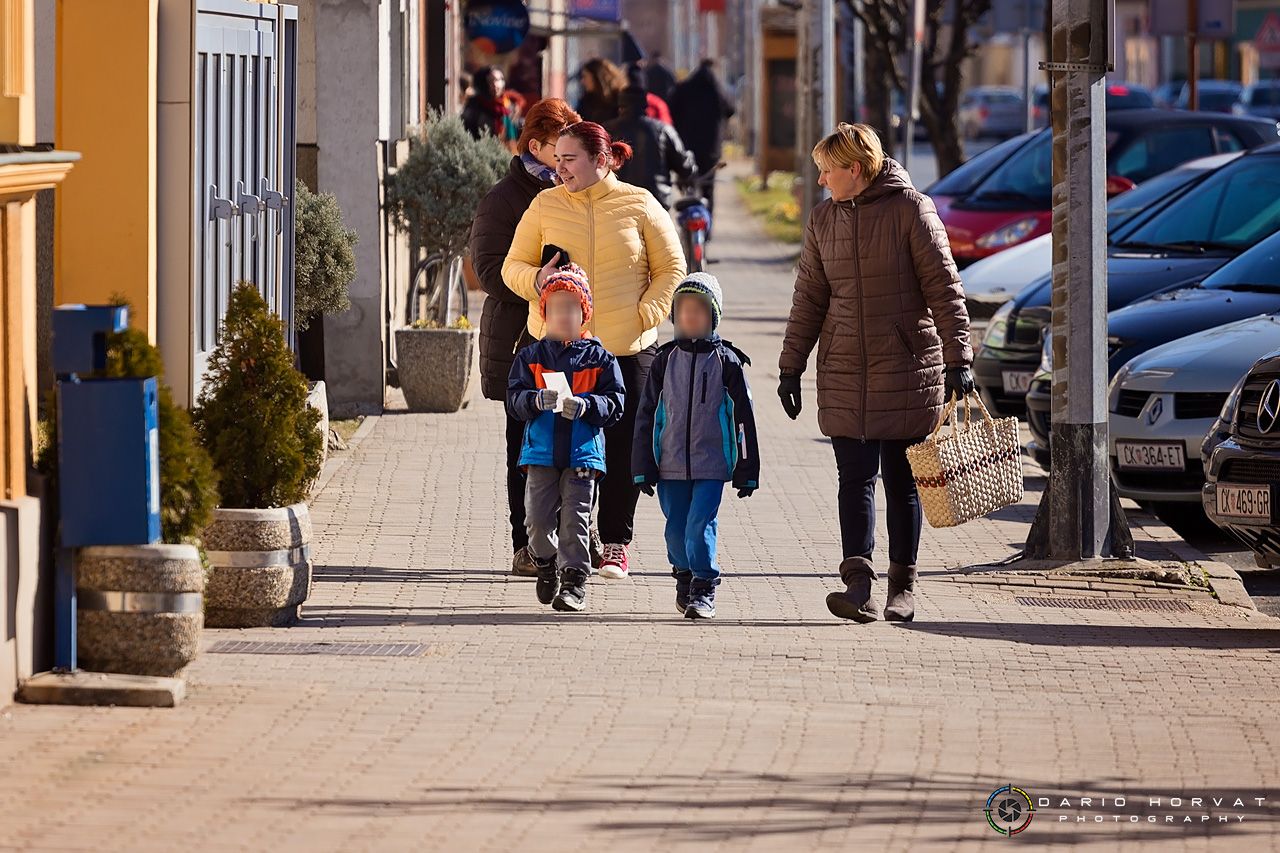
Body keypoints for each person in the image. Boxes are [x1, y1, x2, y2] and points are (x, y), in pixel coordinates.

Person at [778, 122, 973, 624]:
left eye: (827, 171)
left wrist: (959, 359)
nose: (821, 180)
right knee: (854, 479)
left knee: (902, 484)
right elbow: (809, 298)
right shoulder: (823, 219)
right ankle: (859, 585)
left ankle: (902, 587)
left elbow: (944, 289)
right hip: (844, 368)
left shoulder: (912, 210)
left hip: (907, 368)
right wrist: (790, 366)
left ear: (856, 169)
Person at [503, 121, 686, 579]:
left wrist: (646, 314)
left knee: (624, 451)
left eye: (570, 159)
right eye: (557, 159)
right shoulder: (544, 204)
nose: (560, 168)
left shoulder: (640, 204)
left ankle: (615, 543)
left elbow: (672, 267)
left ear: (601, 160)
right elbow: (512, 267)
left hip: (626, 349)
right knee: (551, 449)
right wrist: (538, 280)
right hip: (556, 352)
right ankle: (552, 543)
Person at [469, 98, 581, 577]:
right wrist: (540, 278)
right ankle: (526, 545)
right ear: (536, 147)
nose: (570, 155)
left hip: (575, 343)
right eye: (561, 146)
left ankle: (577, 539)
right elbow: (488, 271)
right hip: (521, 344)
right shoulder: (504, 199)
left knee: (580, 444)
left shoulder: (580, 191)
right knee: (527, 449)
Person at [632, 273, 760, 620]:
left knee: (699, 525)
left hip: (711, 465)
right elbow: (646, 417)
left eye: (699, 310)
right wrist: (642, 466)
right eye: (684, 309)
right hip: (670, 464)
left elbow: (744, 421)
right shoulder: (664, 360)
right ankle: (684, 575)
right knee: (676, 531)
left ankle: (704, 586)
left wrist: (747, 469)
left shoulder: (727, 362)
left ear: (713, 317)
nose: (690, 316)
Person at [507, 265, 625, 613]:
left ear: (584, 314)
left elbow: (616, 403)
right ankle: (546, 564)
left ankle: (574, 582)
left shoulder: (601, 359)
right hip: (541, 455)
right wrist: (533, 400)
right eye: (557, 308)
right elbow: (513, 399)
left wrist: (587, 406)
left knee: (575, 521)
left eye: (572, 308)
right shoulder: (531, 357)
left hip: (583, 456)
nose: (564, 315)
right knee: (537, 521)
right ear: (545, 314)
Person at [604, 81, 695, 209]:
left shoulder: (606, 130)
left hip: (618, 202)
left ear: (620, 104)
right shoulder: (663, 129)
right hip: (655, 202)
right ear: (646, 104)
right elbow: (684, 165)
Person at [668, 58, 736, 224]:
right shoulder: (716, 90)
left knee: (688, 184)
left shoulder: (684, 88)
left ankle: (687, 223)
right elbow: (730, 110)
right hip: (710, 148)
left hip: (687, 146)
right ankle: (707, 226)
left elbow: (671, 108)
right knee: (708, 188)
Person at [578, 58, 672, 126]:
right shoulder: (586, 102)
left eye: (585, 76)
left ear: (598, 77)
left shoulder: (622, 99)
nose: (582, 81)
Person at [461, 65, 525, 146]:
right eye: (491, 80)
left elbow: (516, 127)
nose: (495, 84)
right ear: (484, 84)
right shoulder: (475, 107)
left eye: (499, 80)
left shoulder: (507, 104)